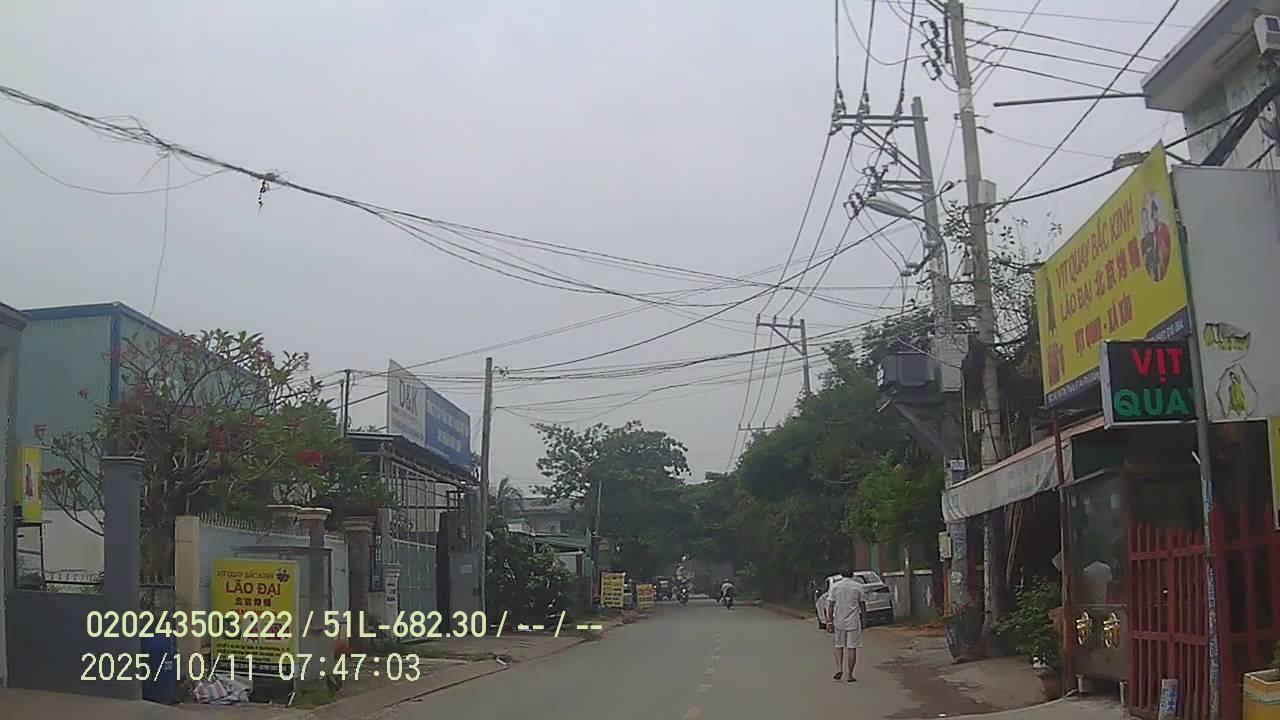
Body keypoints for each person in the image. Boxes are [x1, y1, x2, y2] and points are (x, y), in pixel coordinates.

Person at [826, 565, 866, 683]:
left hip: (839, 620)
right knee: (852, 648)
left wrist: (829, 621)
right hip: (853, 621)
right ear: (852, 574)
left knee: (839, 646)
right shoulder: (858, 587)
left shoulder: (835, 587)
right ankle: (850, 675)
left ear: (841, 574)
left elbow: (830, 605)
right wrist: (864, 618)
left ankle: (839, 669)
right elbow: (862, 604)